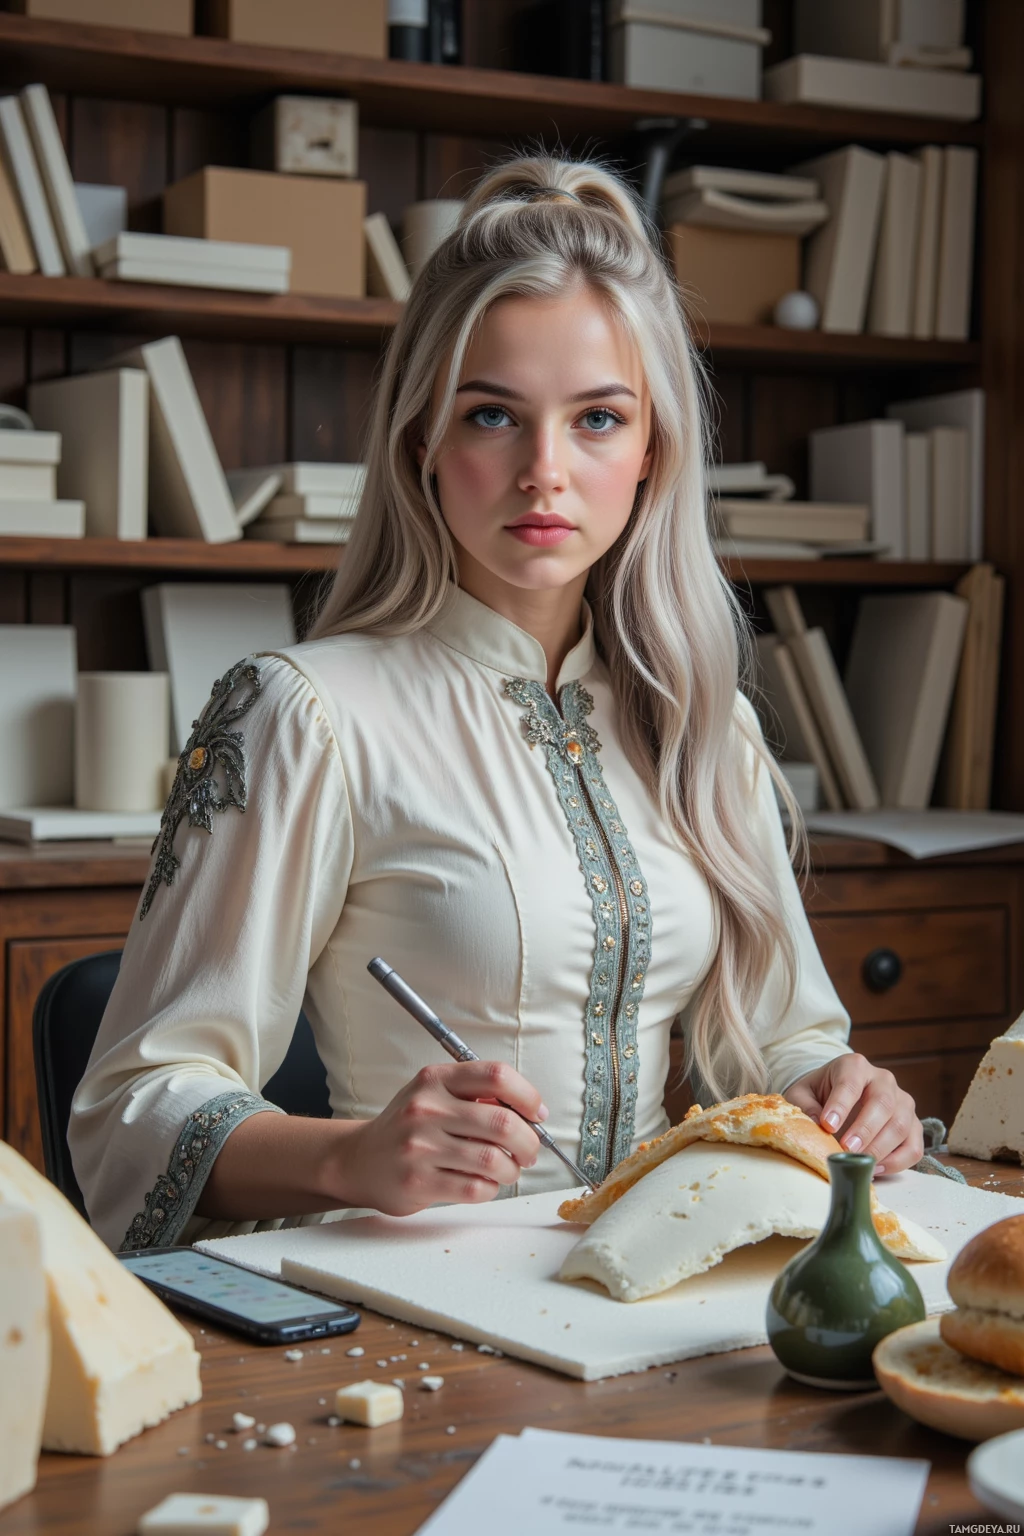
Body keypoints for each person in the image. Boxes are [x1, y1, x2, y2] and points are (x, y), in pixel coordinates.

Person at [70, 154, 924, 1254]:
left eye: (598, 419)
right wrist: (348, 1154)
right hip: (417, 1310)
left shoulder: (708, 729)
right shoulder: (304, 712)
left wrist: (844, 1092)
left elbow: (788, 1042)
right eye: (491, 416)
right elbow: (126, 1109)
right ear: (423, 440)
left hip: (675, 1286)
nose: (544, 471)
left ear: (654, 450)